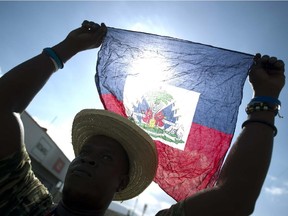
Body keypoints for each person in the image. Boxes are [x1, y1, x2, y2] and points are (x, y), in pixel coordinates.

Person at [0, 20, 285, 216]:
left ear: (122, 183)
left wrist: (265, 99)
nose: (87, 159)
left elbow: (235, 198)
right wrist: (64, 50)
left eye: (106, 158)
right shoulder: (24, 204)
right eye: (86, 153)